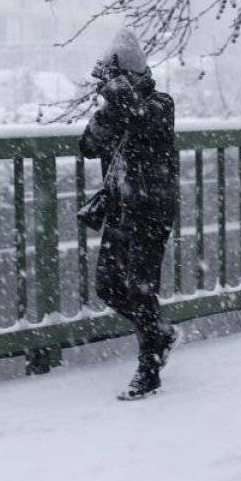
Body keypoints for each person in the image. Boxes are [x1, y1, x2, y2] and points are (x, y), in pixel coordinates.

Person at [80, 30, 179, 401]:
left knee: (141, 287)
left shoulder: (160, 104)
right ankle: (160, 334)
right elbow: (88, 146)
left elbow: (144, 121)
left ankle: (149, 369)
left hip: (151, 209)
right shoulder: (112, 110)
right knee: (108, 286)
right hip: (120, 209)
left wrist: (122, 100)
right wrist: (109, 107)